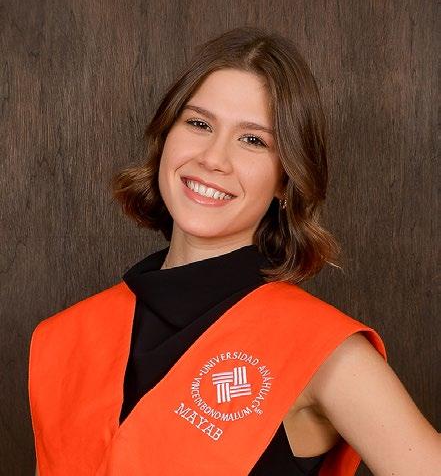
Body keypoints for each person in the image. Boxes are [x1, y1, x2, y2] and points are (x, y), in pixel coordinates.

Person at [29, 27, 440, 475]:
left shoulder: (320, 350)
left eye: (253, 140)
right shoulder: (65, 338)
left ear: (286, 179)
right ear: (166, 137)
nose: (213, 158)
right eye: (199, 124)